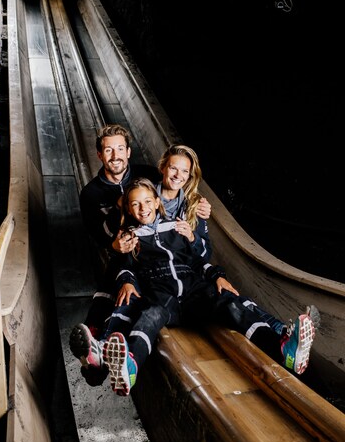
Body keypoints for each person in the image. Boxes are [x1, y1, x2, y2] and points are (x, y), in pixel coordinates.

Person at [71, 178, 320, 396]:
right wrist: (127, 280)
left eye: (147, 202)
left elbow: (198, 260)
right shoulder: (130, 237)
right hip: (161, 293)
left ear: (157, 202)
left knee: (232, 306)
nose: (142, 208)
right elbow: (124, 266)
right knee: (149, 316)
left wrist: (218, 275)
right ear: (128, 207)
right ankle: (129, 367)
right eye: (135, 204)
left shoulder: (177, 227)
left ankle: (283, 350)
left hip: (193, 290)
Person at [72, 126, 212, 383]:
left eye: (120, 149)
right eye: (108, 150)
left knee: (134, 295)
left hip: (153, 255)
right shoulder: (91, 193)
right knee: (116, 287)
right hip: (120, 253)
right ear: (99, 155)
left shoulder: (146, 173)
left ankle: (103, 354)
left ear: (128, 151)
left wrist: (198, 203)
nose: (115, 155)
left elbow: (174, 189)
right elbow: (98, 236)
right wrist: (116, 245)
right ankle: (94, 359)